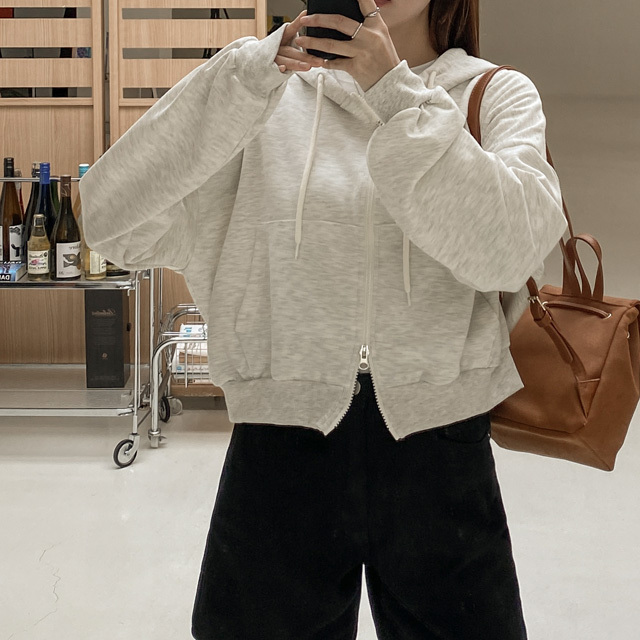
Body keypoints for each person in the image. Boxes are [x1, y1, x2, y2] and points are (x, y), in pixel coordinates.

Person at [79, 0, 568, 637]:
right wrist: (247, 72)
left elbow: (511, 252)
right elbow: (109, 218)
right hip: (280, 446)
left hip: (441, 451)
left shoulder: (494, 94)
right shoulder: (261, 95)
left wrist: (396, 96)